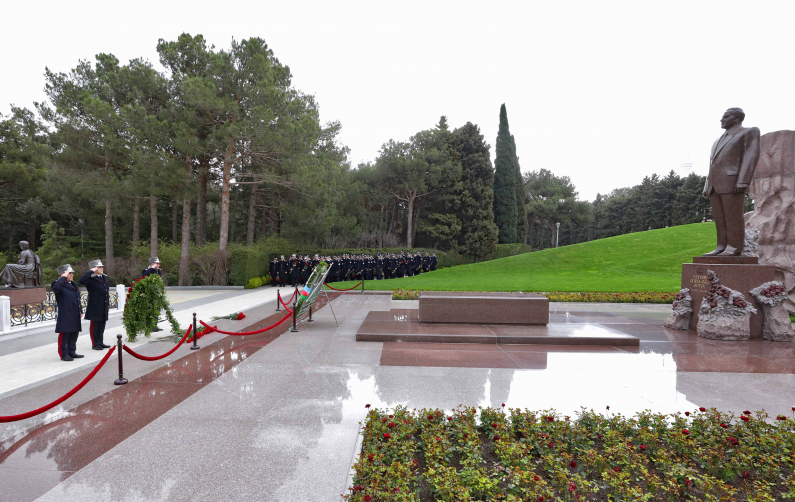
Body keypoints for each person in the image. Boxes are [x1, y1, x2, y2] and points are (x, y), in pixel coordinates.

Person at [702, 107, 761, 256]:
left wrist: (743, 180)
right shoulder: (717, 141)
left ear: (737, 118)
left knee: (733, 217)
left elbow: (751, 156)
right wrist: (707, 185)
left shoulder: (749, 132)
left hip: (732, 182)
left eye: (726, 116)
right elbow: (712, 164)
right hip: (715, 185)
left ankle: (734, 247)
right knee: (720, 219)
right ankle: (721, 246)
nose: (721, 119)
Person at [52, 264, 83, 361]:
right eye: (69, 273)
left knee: (74, 333)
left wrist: (80, 310)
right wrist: (63, 277)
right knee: (65, 333)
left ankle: (72, 351)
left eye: (72, 273)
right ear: (63, 274)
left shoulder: (73, 284)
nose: (72, 275)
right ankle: (63, 354)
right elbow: (56, 289)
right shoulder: (57, 284)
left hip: (75, 312)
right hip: (65, 313)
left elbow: (77, 298)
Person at [79, 259, 111, 351]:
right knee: (95, 326)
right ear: (94, 269)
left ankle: (100, 342)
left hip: (103, 305)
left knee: (102, 325)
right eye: (99, 267)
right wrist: (90, 271)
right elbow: (81, 280)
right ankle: (95, 344)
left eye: (102, 267)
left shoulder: (104, 277)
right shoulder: (90, 278)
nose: (101, 268)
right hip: (95, 306)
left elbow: (106, 290)